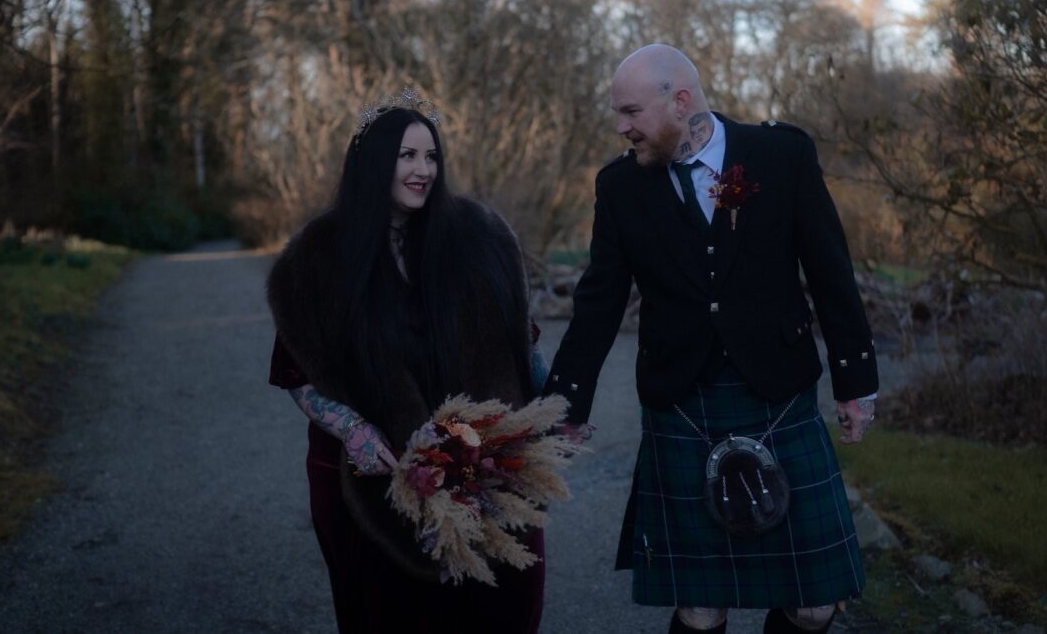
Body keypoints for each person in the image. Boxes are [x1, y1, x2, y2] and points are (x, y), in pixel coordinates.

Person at [543, 45, 878, 634]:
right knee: (701, 607)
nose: (622, 128)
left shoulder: (781, 155)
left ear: (680, 100)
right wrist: (566, 405)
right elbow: (599, 299)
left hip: (778, 390)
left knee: (813, 602)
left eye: (630, 112)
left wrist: (857, 382)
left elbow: (830, 271)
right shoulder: (620, 186)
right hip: (682, 398)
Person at [266, 95, 545, 634]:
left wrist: (554, 408)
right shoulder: (320, 255)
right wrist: (353, 430)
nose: (423, 170)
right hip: (368, 479)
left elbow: (521, 344)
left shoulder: (476, 237)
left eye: (431, 156)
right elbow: (295, 373)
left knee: (499, 611)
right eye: (406, 156)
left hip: (480, 470)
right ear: (373, 163)